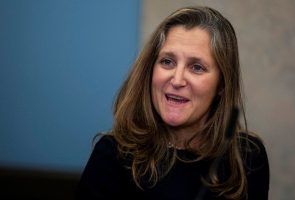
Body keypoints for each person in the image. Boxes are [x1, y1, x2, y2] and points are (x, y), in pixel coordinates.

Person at [76, 6, 269, 200]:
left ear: (222, 85)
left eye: (196, 67)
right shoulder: (112, 155)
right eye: (167, 61)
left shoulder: (248, 157)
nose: (177, 80)